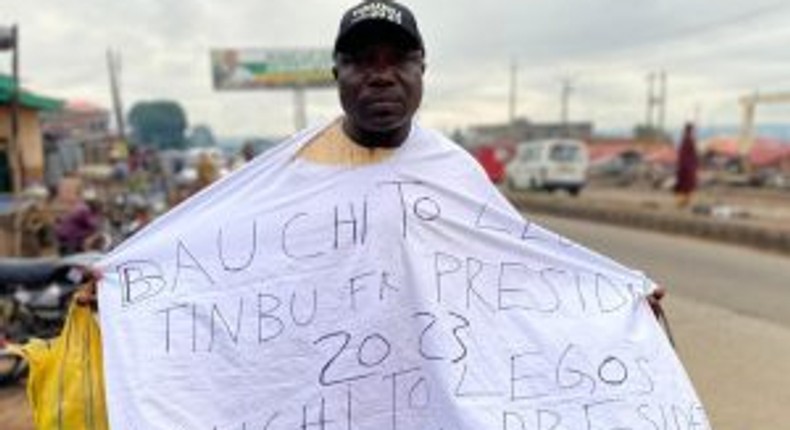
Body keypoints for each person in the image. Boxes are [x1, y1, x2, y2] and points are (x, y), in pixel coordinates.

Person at [77, 0, 665, 318]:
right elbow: (216, 264)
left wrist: (614, 299)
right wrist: (128, 288)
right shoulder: (288, 174)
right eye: (361, 60)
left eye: (398, 58)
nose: (381, 74)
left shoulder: (456, 173)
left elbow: (522, 272)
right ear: (337, 74)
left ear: (421, 71)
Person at [674, 122, 699, 208]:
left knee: (686, 184)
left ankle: (683, 202)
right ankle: (682, 202)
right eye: (692, 130)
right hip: (686, 166)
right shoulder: (687, 140)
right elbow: (691, 154)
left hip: (685, 165)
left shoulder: (686, 140)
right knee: (686, 184)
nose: (692, 132)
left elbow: (691, 154)